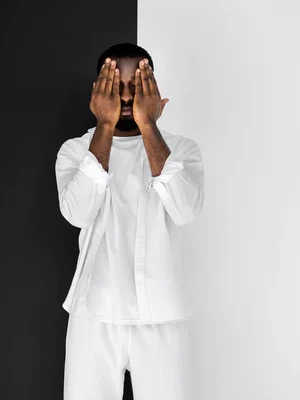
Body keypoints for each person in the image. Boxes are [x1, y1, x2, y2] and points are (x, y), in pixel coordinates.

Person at [55, 42, 205, 400]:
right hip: (93, 315)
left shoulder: (182, 150)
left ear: (152, 89)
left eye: (135, 86)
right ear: (98, 90)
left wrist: (148, 125)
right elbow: (77, 213)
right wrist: (104, 125)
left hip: (163, 315)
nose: (125, 96)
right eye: (115, 85)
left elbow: (186, 211)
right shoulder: (76, 151)